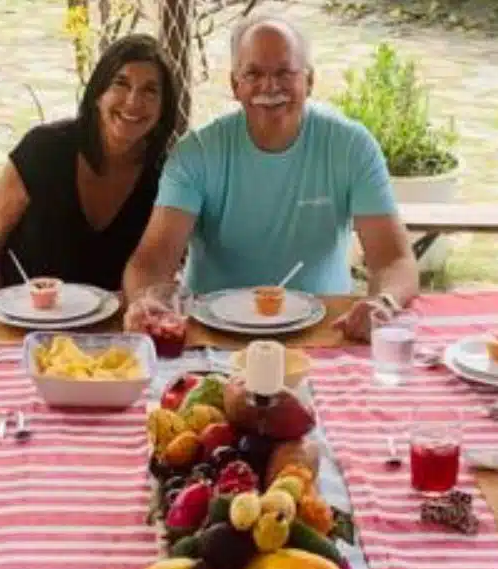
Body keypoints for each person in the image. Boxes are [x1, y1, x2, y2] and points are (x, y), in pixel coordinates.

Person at [120, 15, 418, 342]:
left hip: (325, 329)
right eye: (254, 74)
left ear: (309, 80)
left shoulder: (351, 146)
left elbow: (394, 258)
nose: (270, 87)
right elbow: (152, 259)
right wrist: (146, 303)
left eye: (284, 73)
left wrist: (384, 301)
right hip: (213, 335)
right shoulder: (197, 153)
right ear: (235, 85)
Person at [0, 35, 184, 293]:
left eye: (150, 91)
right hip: (28, 321)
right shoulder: (43, 150)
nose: (133, 102)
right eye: (121, 84)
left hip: (115, 327)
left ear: (163, 109)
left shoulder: (169, 175)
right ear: (98, 94)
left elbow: (165, 271)